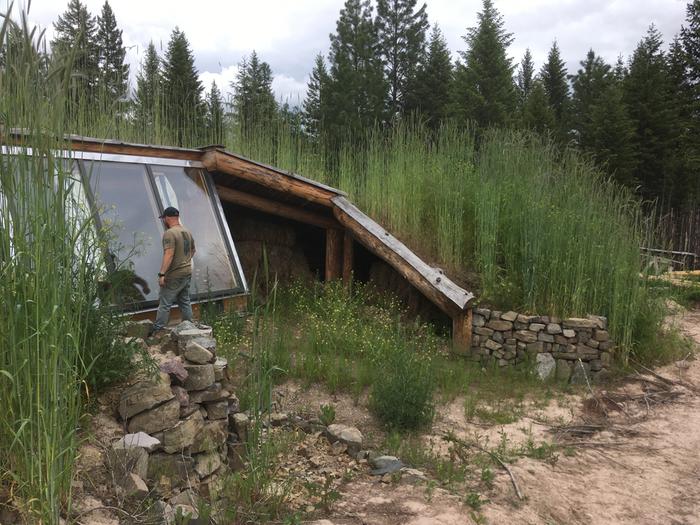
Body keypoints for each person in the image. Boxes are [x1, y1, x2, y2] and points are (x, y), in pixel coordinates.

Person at [150, 206, 196, 335]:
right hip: (187, 272)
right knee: (184, 300)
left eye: (164, 218)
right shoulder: (187, 232)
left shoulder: (169, 233)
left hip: (174, 274)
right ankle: (190, 327)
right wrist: (184, 261)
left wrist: (162, 274)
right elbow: (193, 250)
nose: (164, 220)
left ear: (168, 218)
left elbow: (169, 254)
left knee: (165, 303)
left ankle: (158, 330)